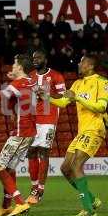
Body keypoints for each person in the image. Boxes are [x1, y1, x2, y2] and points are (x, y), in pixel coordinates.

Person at [38, 54, 106, 216]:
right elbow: (63, 102)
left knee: (76, 165)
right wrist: (46, 97)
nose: (79, 64)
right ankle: (92, 200)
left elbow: (101, 107)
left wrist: (78, 99)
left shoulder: (102, 82)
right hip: (82, 132)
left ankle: (88, 211)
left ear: (90, 65)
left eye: (81, 62)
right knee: (66, 169)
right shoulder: (77, 83)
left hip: (95, 129)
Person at [0, 54, 36, 216]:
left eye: (15, 65)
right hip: (29, 132)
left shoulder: (18, 84)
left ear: (21, 67)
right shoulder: (31, 82)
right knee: (9, 169)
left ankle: (20, 203)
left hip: (21, 132)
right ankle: (5, 207)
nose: (12, 67)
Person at [26, 51, 65, 204]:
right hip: (32, 119)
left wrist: (47, 94)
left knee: (43, 152)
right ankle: (33, 187)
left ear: (46, 60)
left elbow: (64, 97)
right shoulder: (30, 76)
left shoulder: (56, 76)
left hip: (48, 119)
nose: (35, 60)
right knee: (31, 152)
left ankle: (40, 189)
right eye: (33, 57)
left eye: (39, 58)